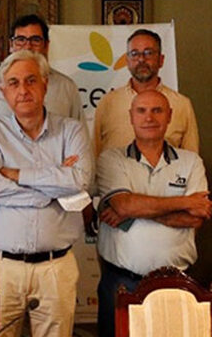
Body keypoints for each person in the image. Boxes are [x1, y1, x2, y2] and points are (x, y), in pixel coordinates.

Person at [0, 50, 93, 337]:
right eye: (13, 83)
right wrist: (53, 188)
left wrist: (18, 175)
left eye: (31, 80)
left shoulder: (72, 130)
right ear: (3, 91)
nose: (23, 90)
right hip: (0, 267)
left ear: (45, 85)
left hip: (56, 267)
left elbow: (80, 180)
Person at [95, 90, 210, 337]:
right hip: (122, 283)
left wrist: (136, 210)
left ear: (169, 116)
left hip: (178, 283)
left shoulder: (191, 162)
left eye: (157, 110)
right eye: (142, 111)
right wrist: (184, 202)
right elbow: (124, 205)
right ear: (131, 117)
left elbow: (195, 218)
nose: (149, 117)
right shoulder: (111, 159)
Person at [93, 29, 199, 156]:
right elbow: (94, 155)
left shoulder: (182, 104)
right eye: (134, 54)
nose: (141, 59)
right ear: (127, 61)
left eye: (148, 53)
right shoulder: (108, 103)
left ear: (161, 60)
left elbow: (192, 158)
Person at [0, 14, 84, 123]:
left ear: (46, 46)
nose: (27, 46)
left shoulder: (65, 87)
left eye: (35, 40)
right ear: (11, 45)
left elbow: (79, 131)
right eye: (20, 40)